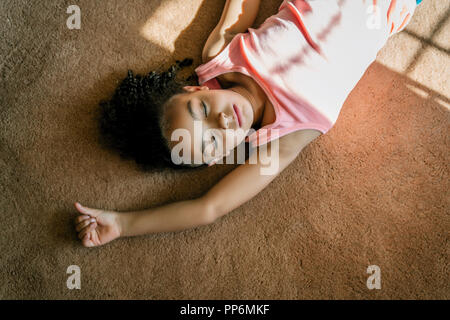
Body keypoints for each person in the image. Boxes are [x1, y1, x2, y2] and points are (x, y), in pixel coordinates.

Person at [75, 0, 421, 247]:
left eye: (201, 110)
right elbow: (209, 208)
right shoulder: (281, 139)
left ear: (195, 88)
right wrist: (122, 224)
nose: (224, 121)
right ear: (216, 159)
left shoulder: (221, 56)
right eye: (213, 142)